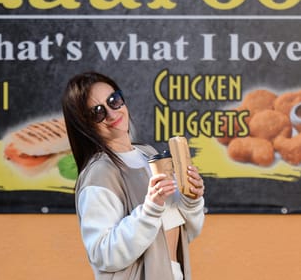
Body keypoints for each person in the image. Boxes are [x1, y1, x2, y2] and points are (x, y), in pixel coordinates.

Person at [61, 71, 205, 280]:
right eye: (97, 112)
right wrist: (150, 210)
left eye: (114, 100)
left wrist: (191, 199)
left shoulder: (149, 155)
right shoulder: (100, 174)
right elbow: (104, 255)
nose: (112, 114)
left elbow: (184, 233)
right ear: (84, 124)